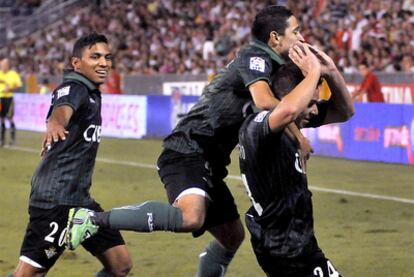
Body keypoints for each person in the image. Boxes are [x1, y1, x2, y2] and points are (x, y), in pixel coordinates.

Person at [67, 6, 312, 276]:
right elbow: (266, 103)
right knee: (191, 217)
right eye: (296, 32)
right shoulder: (255, 55)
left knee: (231, 236)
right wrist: (298, 136)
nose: (301, 38)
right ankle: (91, 219)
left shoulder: (276, 67)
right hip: (187, 148)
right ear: (275, 38)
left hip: (211, 162)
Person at [9, 33, 132, 277]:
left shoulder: (92, 93)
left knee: (120, 265)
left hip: (80, 201)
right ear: (76, 63)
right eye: (95, 57)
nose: (103, 63)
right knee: (28, 275)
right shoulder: (73, 87)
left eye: (107, 57)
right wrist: (55, 123)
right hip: (56, 201)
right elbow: (62, 110)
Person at [239, 43, 354, 276]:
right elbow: (288, 110)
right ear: (289, 98)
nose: (313, 111)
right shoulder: (257, 128)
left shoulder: (291, 123)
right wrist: (312, 72)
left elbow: (345, 111)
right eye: (310, 103)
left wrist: (330, 72)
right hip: (286, 247)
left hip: (295, 242)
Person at [0, 57, 23, 146]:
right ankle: (2, 140)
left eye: (4, 65)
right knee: (1, 118)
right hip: (0, 99)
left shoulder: (13, 74)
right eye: (1, 65)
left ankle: (12, 140)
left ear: (8, 65)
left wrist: (10, 88)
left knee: (10, 118)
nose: (3, 66)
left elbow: (18, 85)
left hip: (9, 98)